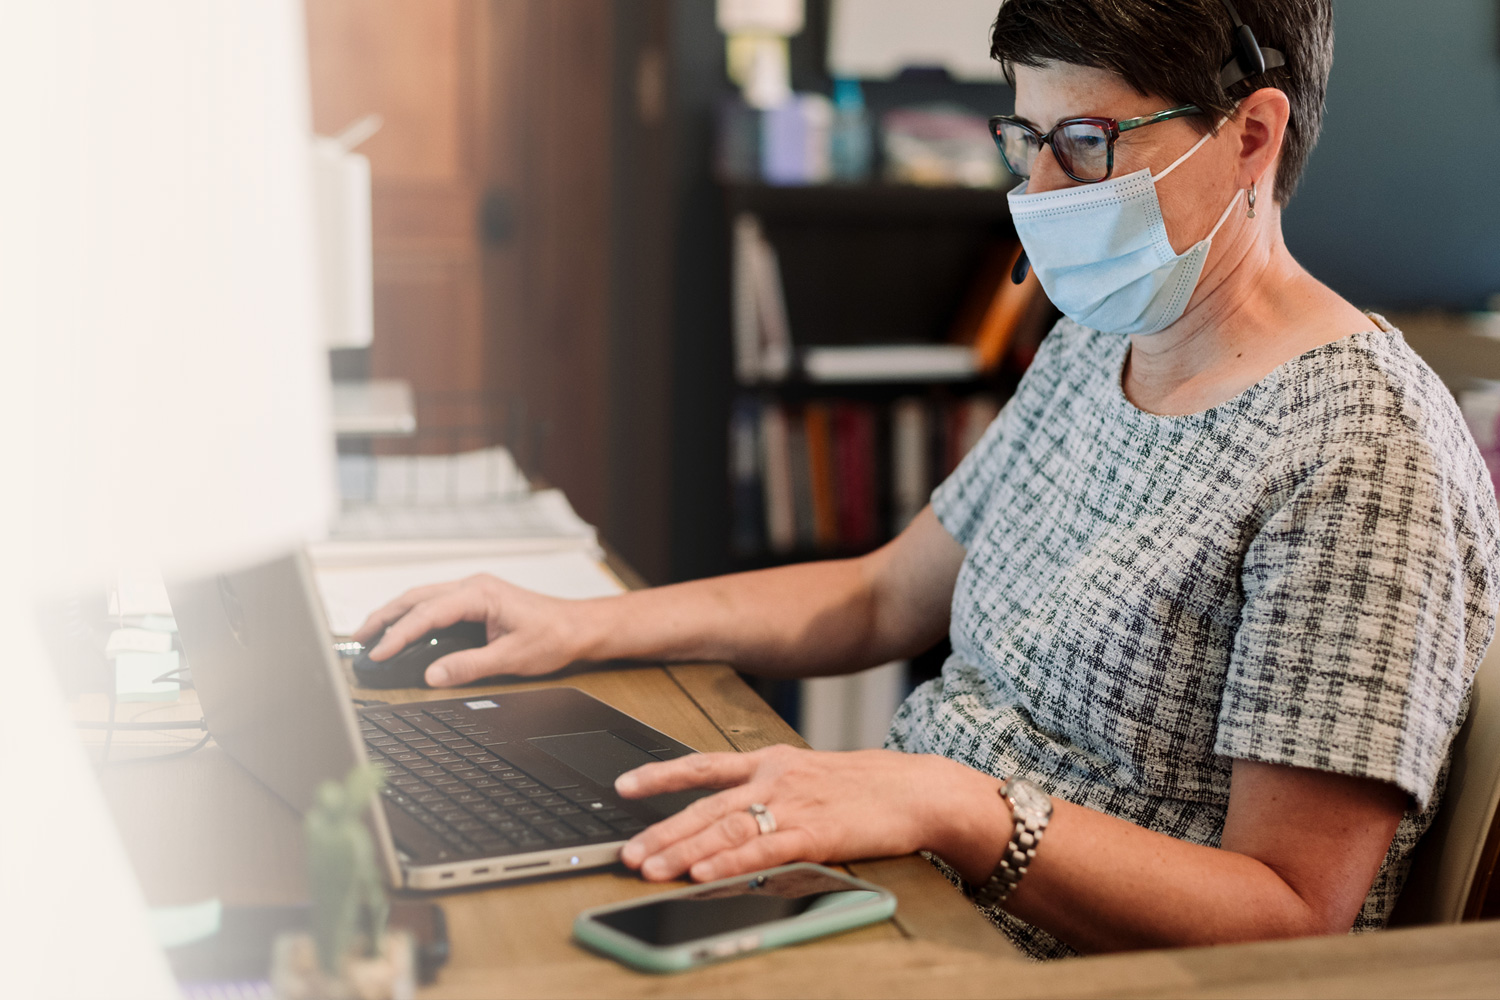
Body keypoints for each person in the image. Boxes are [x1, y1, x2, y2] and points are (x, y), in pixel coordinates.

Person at [355, 0, 1500, 958]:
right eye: (1028, 137)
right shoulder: (1101, 341)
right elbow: (883, 595)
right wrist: (578, 623)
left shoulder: (1362, 448)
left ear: (1251, 136)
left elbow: (1291, 914)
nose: (1043, 192)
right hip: (904, 873)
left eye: (1088, 143)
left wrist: (951, 804)